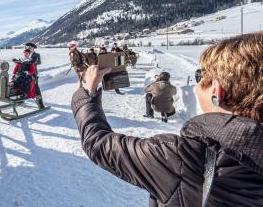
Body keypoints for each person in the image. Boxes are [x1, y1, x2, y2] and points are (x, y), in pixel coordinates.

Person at [71, 32, 263, 207]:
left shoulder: (183, 158)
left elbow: (98, 143)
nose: (198, 84)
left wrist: (89, 91)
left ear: (216, 92)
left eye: (202, 77)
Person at [26, 42, 44, 109]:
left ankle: (41, 104)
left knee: (36, 88)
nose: (29, 49)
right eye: (28, 48)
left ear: (33, 48)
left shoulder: (37, 55)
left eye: (30, 48)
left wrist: (33, 61)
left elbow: (39, 62)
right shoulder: (27, 54)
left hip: (34, 74)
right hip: (27, 73)